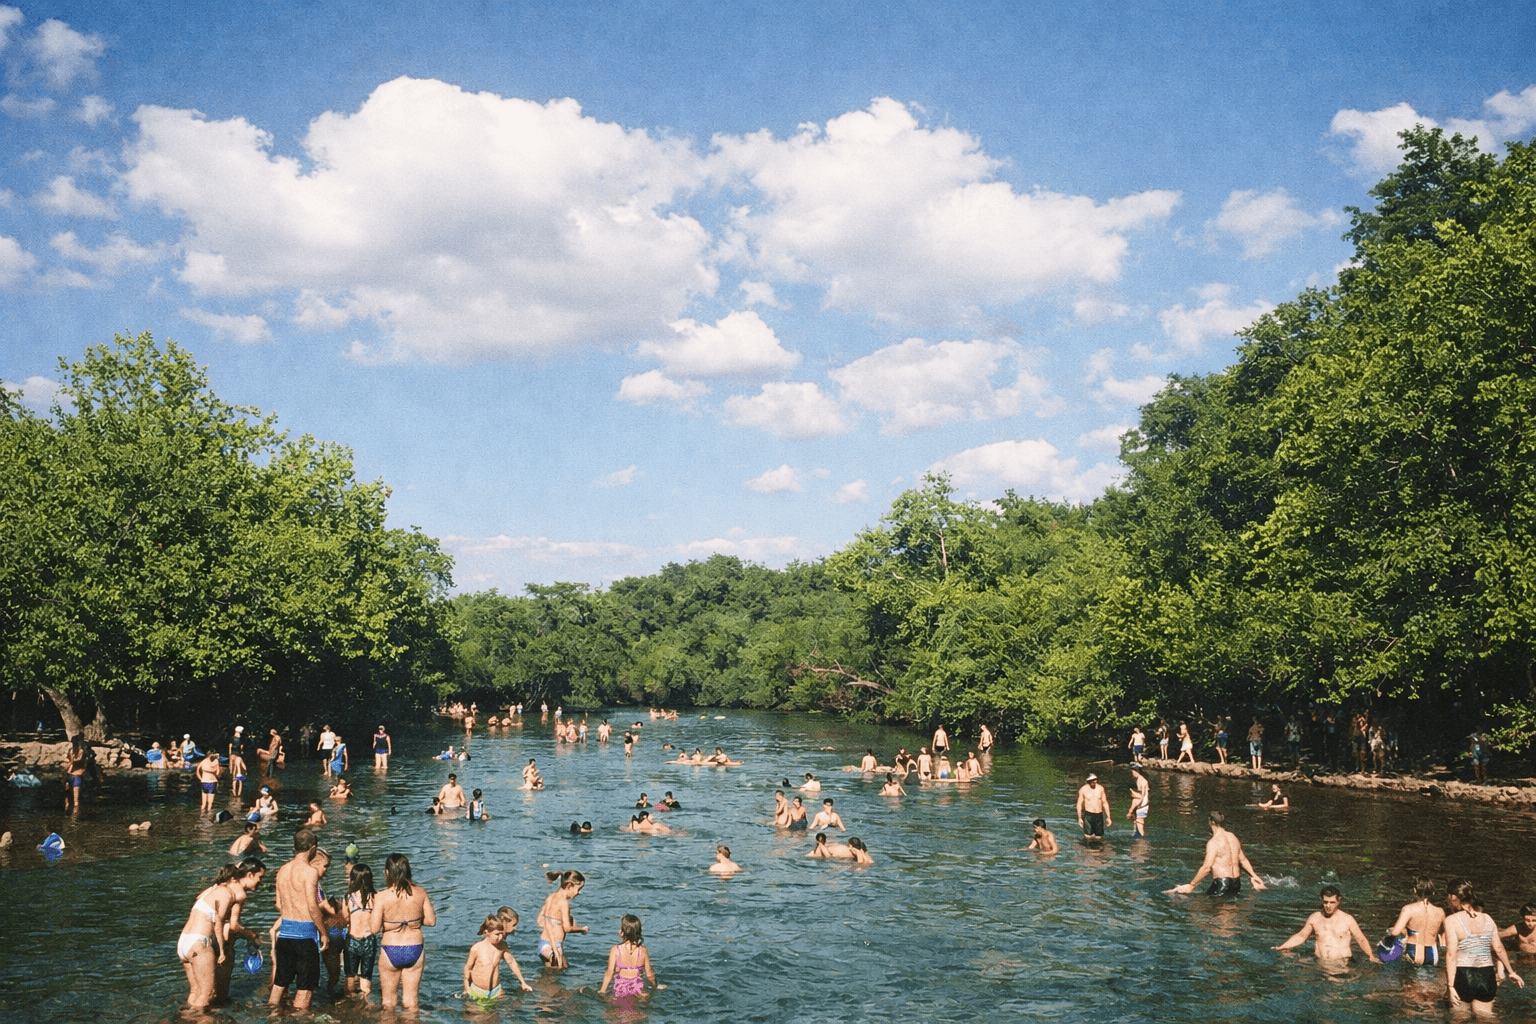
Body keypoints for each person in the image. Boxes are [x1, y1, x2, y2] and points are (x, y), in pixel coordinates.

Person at [178, 858, 265, 1009]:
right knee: (209, 995)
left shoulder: (217, 887)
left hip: (184, 942)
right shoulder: (239, 893)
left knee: (196, 992)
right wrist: (252, 936)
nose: (261, 882)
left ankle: (185, 1017)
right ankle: (197, 1018)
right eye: (260, 877)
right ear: (250, 874)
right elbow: (233, 925)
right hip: (200, 943)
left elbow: (199, 903)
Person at [269, 829, 328, 1011]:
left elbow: (278, 903)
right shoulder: (310, 872)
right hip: (305, 936)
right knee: (305, 989)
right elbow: (312, 907)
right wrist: (324, 933)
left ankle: (272, 1016)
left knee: (280, 983)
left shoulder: (282, 870)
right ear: (313, 848)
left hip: (285, 933)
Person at [1445, 880, 1523, 1013]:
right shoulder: (1487, 918)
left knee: (1460, 1017)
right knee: (1486, 1017)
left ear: (1453, 897)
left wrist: (1450, 986)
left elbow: (1451, 954)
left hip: (1463, 975)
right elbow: (1499, 948)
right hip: (1486, 975)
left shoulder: (1451, 920)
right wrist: (1511, 972)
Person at [372, 852, 436, 1010]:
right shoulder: (420, 892)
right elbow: (431, 921)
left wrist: (391, 923)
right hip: (415, 948)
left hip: (390, 948)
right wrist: (413, 921)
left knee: (388, 1002)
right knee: (411, 1001)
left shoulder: (381, 896)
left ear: (387, 872)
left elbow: (374, 929)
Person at [1168, 811, 1266, 895]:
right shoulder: (1233, 837)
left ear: (1211, 822)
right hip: (1236, 883)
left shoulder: (1213, 842)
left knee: (1194, 904)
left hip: (1222, 883)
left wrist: (1192, 885)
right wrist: (1254, 875)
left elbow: (1206, 868)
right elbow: (1243, 860)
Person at [1273, 885, 1374, 959]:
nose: (1328, 906)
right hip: (1320, 962)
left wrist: (1370, 956)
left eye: (1332, 902)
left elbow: (1361, 939)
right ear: (1322, 901)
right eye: (1326, 902)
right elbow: (1301, 936)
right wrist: (1282, 947)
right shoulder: (1315, 918)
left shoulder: (1347, 919)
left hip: (1342, 963)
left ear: (1338, 901)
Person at [462, 913, 531, 999]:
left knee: (502, 1007)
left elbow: (511, 962)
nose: (500, 937)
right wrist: (466, 988)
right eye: (497, 934)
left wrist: (523, 982)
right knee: (475, 1008)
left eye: (502, 933)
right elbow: (467, 968)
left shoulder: (502, 946)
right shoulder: (476, 949)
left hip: (496, 992)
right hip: (478, 991)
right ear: (487, 932)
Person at [1386, 876, 1446, 966]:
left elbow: (1395, 932)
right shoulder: (1440, 912)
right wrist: (1442, 944)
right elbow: (1444, 931)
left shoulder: (1409, 909)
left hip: (1414, 951)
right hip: (1433, 954)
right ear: (1432, 892)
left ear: (1415, 890)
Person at [599, 914, 663, 998]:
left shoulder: (615, 950)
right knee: (642, 1000)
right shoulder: (642, 950)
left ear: (622, 932)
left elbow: (609, 973)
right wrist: (655, 986)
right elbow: (649, 974)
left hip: (620, 987)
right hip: (638, 987)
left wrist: (602, 991)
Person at [537, 870, 588, 969]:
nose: (579, 893)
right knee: (560, 972)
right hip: (555, 946)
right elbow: (567, 928)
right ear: (569, 886)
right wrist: (582, 929)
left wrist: (555, 922)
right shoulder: (564, 903)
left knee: (548, 973)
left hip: (543, 944)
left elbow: (540, 921)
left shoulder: (550, 897)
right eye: (578, 889)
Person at [344, 862, 379, 997]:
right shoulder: (376, 897)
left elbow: (345, 919)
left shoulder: (349, 897)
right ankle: (366, 1003)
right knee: (365, 981)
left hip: (352, 941)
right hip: (369, 941)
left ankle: (351, 1003)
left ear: (353, 879)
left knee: (350, 980)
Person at [1076, 773, 1112, 840]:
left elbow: (1105, 803)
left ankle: (1098, 846)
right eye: (1093, 780)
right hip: (1088, 815)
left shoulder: (1100, 788)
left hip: (1098, 815)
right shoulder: (1083, 790)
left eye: (1095, 780)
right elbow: (1079, 804)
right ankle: (1087, 845)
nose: (1095, 781)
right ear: (1089, 781)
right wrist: (1079, 818)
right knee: (1088, 836)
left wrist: (1108, 817)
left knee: (1099, 836)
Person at [1127, 766, 1150, 837]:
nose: (1132, 774)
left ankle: (1142, 839)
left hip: (1142, 805)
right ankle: (1137, 836)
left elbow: (1140, 797)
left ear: (1137, 771)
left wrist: (1130, 811)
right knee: (1136, 822)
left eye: (1133, 772)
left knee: (1139, 822)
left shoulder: (1141, 781)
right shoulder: (1141, 780)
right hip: (1143, 804)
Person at [65, 737, 88, 809]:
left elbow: (69, 765)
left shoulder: (71, 752)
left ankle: (67, 810)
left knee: (68, 797)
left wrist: (71, 762)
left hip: (70, 774)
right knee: (76, 800)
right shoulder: (81, 752)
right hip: (76, 776)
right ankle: (75, 813)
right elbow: (83, 763)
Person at [228, 727, 248, 796]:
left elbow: (230, 746)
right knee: (240, 781)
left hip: (233, 755)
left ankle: (234, 792)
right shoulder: (239, 758)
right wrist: (245, 772)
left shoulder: (232, 738)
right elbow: (244, 768)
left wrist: (230, 753)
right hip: (240, 773)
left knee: (234, 778)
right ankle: (239, 793)